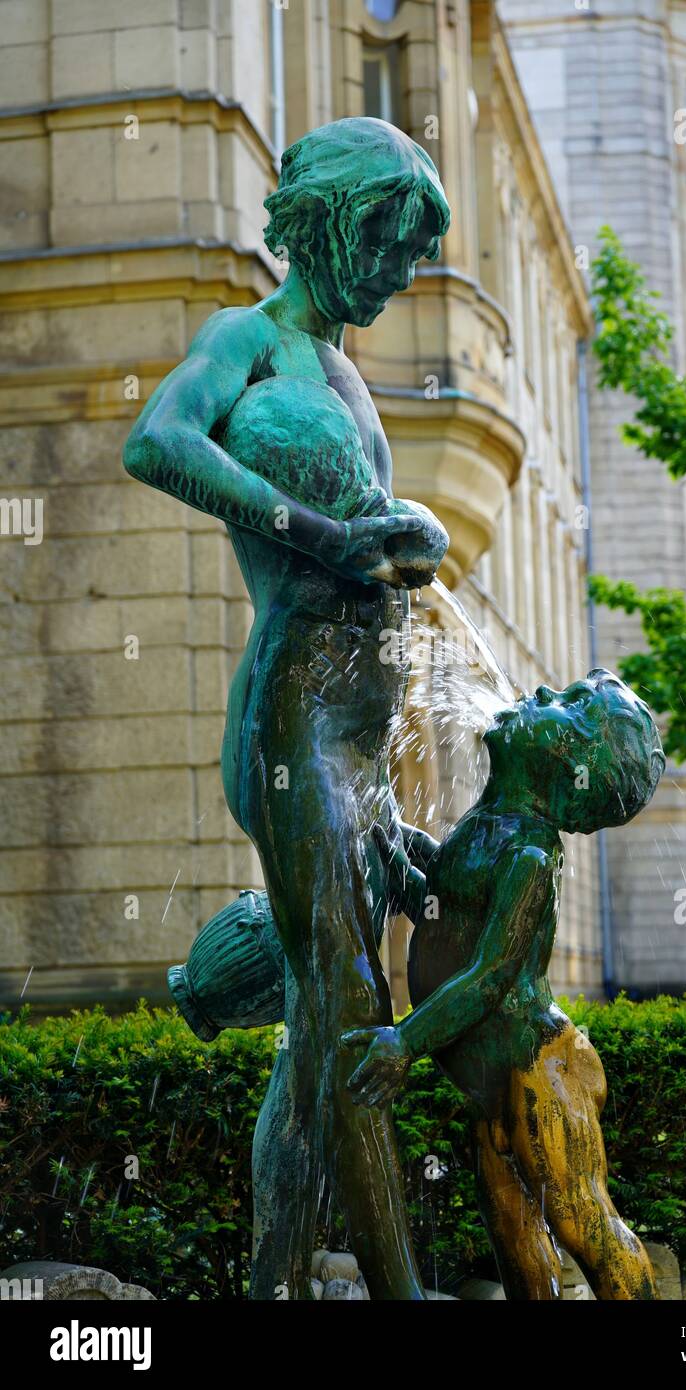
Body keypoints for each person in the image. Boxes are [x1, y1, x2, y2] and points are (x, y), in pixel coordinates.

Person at [125, 118, 451, 1300]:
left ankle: (273, 1281)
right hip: (293, 722)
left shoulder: (350, 374)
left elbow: (380, 535)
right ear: (333, 220)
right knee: (348, 1004)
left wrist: (414, 535)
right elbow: (154, 440)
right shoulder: (242, 339)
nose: (404, 273)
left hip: (358, 731)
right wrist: (321, 534)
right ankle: (394, 1285)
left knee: (322, 1027)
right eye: (392, 241)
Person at [343, 670, 665, 1300]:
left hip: (538, 1074)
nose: (543, 694)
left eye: (568, 704)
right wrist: (390, 846)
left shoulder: (530, 856)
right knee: (515, 1233)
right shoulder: (487, 825)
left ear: (568, 763)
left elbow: (491, 976)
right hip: (492, 1084)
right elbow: (442, 905)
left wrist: (404, 1041)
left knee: (584, 1224)